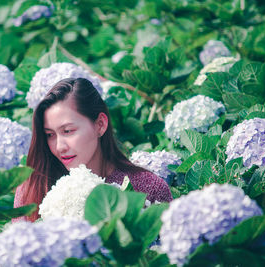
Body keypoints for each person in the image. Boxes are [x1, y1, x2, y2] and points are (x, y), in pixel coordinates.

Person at [13, 77, 172, 222]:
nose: (59, 146)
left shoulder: (148, 188)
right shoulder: (32, 189)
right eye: (50, 134)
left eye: (68, 131)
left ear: (100, 125)